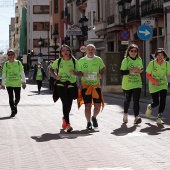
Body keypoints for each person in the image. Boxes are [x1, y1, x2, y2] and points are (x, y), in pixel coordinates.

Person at [50, 44, 79, 133]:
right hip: (61, 85)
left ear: (70, 52)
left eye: (67, 50)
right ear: (61, 53)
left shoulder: (74, 61)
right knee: (65, 103)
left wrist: (74, 72)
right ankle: (68, 124)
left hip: (71, 85)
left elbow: (80, 73)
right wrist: (55, 76)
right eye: (63, 50)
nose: (65, 52)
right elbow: (51, 69)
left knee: (69, 104)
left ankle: (64, 118)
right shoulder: (58, 61)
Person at [78, 44, 105, 130]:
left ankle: (94, 117)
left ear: (95, 51)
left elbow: (103, 68)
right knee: (87, 106)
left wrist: (101, 74)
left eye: (92, 49)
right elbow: (77, 72)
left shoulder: (98, 60)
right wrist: (82, 74)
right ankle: (88, 122)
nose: (90, 51)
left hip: (96, 86)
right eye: (89, 49)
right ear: (85, 51)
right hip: (85, 86)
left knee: (97, 106)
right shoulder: (81, 61)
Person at [145, 48, 170, 124]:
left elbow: (169, 74)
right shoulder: (152, 63)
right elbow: (148, 75)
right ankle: (150, 107)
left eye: (162, 55)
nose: (160, 57)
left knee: (163, 101)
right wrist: (155, 82)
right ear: (156, 56)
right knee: (156, 103)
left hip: (163, 84)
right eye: (158, 55)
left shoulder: (166, 64)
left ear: (164, 56)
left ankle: (159, 117)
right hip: (153, 85)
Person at [120, 44, 143, 124]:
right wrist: (132, 70)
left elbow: (141, 69)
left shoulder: (139, 59)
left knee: (136, 101)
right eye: (131, 51)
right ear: (128, 51)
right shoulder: (125, 60)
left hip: (137, 83)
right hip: (127, 84)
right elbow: (122, 72)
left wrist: (140, 71)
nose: (133, 52)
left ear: (137, 52)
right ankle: (125, 114)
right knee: (127, 100)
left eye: (135, 51)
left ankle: (137, 117)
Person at [1, 49, 26, 117]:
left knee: (17, 98)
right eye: (9, 55)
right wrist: (3, 84)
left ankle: (14, 106)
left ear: (14, 55)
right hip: (9, 83)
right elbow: (4, 74)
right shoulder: (6, 64)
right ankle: (13, 110)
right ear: (8, 56)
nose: (10, 56)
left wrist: (24, 81)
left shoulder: (18, 63)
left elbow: (22, 72)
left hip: (17, 83)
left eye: (11, 54)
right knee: (11, 98)